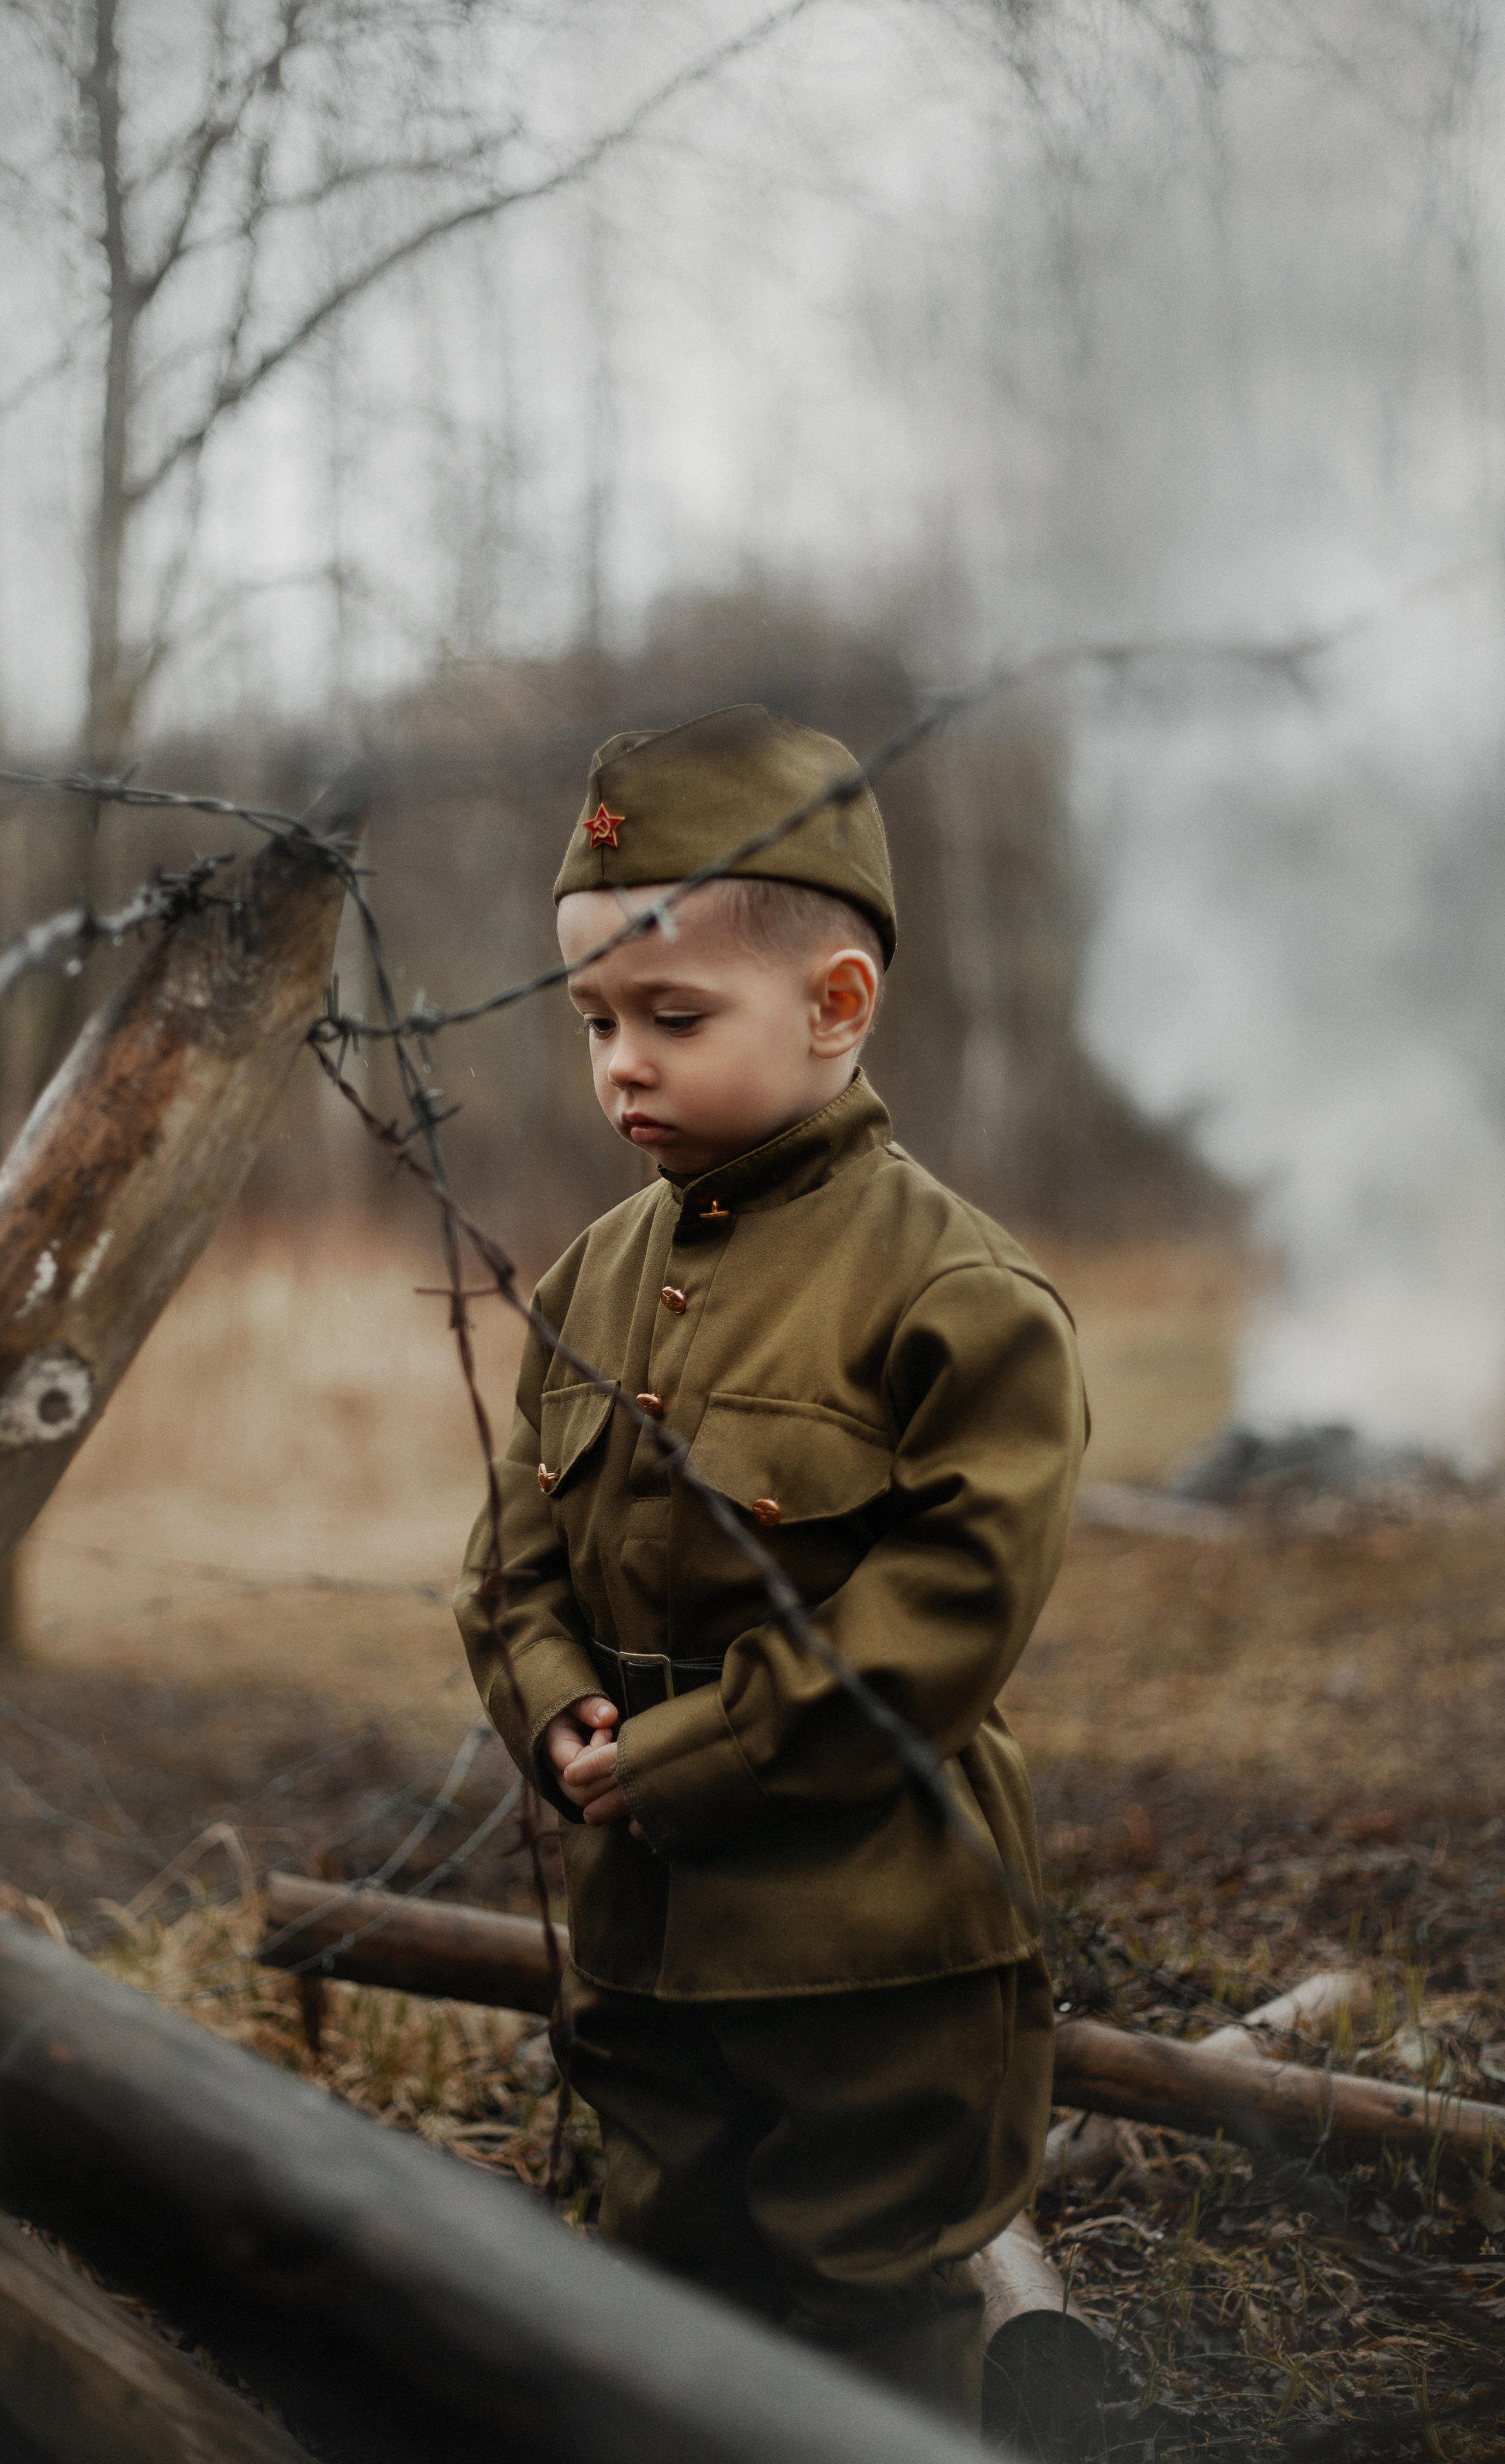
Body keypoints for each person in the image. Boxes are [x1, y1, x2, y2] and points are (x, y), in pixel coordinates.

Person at [453, 702, 1087, 2424]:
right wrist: (561, 1712)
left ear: (834, 1010)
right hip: (642, 1943)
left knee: (870, 2324)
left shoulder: (958, 1296)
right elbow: (511, 1558)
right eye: (592, 1022)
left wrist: (676, 1756)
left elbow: (938, 1623)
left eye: (671, 1015)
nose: (619, 1068)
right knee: (664, 2304)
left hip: (874, 1954)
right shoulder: (588, 1279)